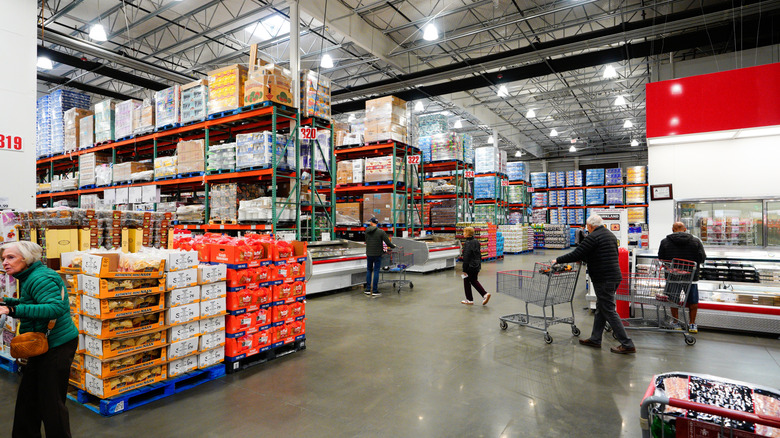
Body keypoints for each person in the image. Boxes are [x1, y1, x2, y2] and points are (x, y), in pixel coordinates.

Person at [0, 241, 79, 438]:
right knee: (29, 398)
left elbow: (55, 308)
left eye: (11, 257)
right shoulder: (29, 276)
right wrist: (6, 302)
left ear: (26, 259)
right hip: (41, 345)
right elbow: (32, 302)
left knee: (51, 402)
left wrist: (12, 310)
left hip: (56, 346)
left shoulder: (40, 277)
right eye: (3, 258)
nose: (5, 263)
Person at [553, 215, 636, 354]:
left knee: (608, 309)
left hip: (603, 278)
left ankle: (627, 344)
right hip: (614, 276)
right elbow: (602, 253)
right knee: (601, 308)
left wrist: (557, 260)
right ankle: (596, 338)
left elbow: (576, 253)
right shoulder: (609, 235)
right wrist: (585, 258)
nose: (587, 229)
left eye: (587, 226)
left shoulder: (593, 237)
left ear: (590, 226)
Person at [658, 222, 707, 333]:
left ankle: (675, 323)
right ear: (685, 229)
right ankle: (692, 324)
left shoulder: (665, 242)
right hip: (691, 277)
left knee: (673, 299)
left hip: (672, 276)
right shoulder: (696, 241)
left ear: (673, 229)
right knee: (693, 301)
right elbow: (702, 258)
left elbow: (661, 258)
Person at [364, 218, 396, 297]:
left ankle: (368, 289)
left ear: (371, 222)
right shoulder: (381, 232)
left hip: (369, 253)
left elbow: (366, 241)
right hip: (377, 254)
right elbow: (388, 242)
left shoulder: (367, 231)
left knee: (369, 270)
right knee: (376, 271)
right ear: (377, 223)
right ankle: (374, 290)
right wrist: (393, 246)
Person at [460, 227, 491, 306]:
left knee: (469, 280)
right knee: (471, 280)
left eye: (464, 232)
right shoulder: (476, 241)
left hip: (469, 266)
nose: (463, 233)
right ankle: (472, 298)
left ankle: (483, 295)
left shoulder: (467, 243)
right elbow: (478, 254)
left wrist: (464, 269)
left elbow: (466, 257)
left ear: (467, 233)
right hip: (476, 265)